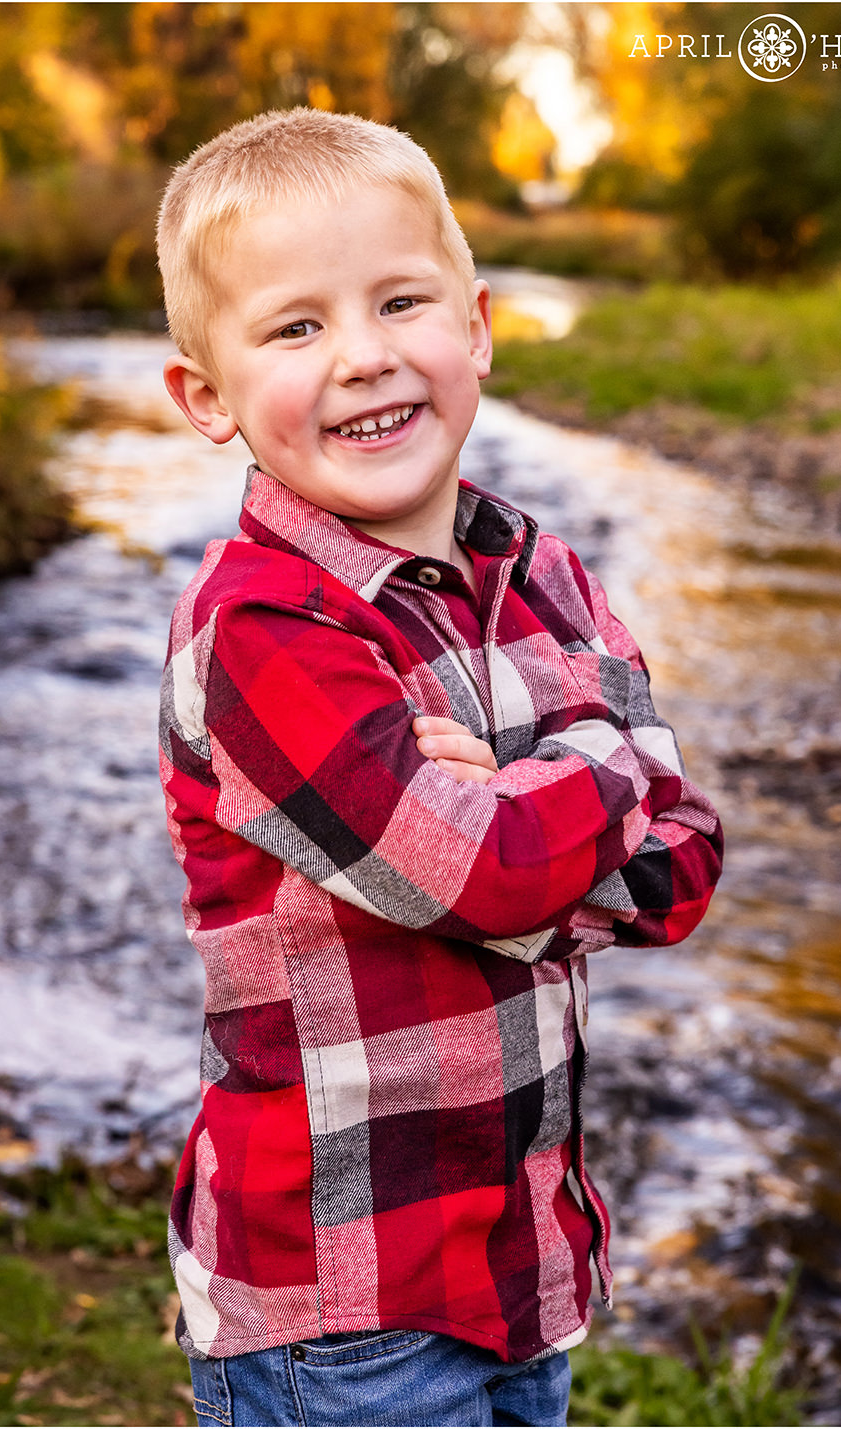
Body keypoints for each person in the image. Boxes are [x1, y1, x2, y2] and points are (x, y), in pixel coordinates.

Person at [156, 106, 723, 1429]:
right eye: (295, 327)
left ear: (475, 326)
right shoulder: (263, 631)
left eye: (398, 300)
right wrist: (591, 762)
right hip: (344, 1304)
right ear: (207, 396)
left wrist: (517, 789)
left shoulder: (543, 566)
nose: (362, 357)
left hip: (522, 1255)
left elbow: (689, 861)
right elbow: (483, 867)